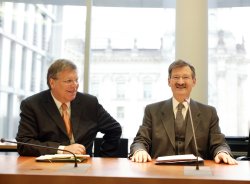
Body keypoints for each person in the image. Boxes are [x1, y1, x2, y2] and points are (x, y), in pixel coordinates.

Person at [129, 59, 237, 165]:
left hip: (196, 173)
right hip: (161, 172)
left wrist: (222, 152)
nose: (180, 82)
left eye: (185, 77)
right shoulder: (152, 111)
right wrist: (140, 151)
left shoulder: (209, 113)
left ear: (194, 81)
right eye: (176, 77)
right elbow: (140, 141)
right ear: (169, 81)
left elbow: (218, 143)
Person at [16, 59, 122, 156]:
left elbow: (114, 129)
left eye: (76, 80)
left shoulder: (89, 103)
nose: (75, 85)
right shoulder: (32, 105)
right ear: (52, 82)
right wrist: (63, 149)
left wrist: (103, 158)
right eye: (69, 81)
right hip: (48, 168)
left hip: (83, 167)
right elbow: (24, 144)